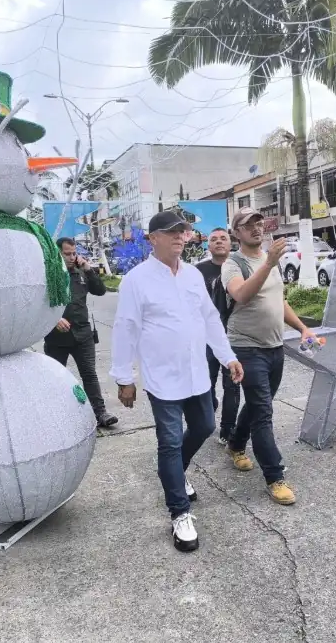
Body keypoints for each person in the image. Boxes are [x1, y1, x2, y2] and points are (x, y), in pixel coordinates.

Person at [110, 211, 244, 552]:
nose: (180, 237)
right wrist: (125, 378)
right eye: (171, 232)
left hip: (196, 373)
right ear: (152, 238)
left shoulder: (192, 276)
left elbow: (211, 319)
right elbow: (126, 329)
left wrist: (228, 356)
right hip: (162, 377)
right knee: (169, 442)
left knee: (204, 426)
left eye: (183, 231)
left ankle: (174, 473)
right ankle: (179, 513)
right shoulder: (136, 281)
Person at [222, 206, 316, 506]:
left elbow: (279, 300)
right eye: (248, 224)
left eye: (259, 223)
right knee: (263, 412)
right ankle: (275, 476)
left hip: (274, 347)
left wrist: (303, 328)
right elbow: (242, 295)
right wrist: (270, 263)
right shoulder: (233, 264)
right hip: (246, 347)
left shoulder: (268, 260)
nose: (256, 228)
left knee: (259, 403)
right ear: (236, 232)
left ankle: (236, 443)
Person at [44, 237, 118, 429]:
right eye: (66, 254)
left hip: (82, 333)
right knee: (56, 376)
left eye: (73, 253)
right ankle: (56, 415)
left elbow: (100, 291)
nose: (71, 257)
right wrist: (54, 319)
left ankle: (100, 412)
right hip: (56, 337)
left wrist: (87, 269)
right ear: (57, 253)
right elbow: (37, 304)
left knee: (89, 374)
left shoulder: (81, 273)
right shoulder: (48, 276)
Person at [195, 227, 242, 445]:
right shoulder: (198, 271)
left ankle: (228, 430)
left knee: (232, 385)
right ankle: (206, 418)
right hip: (206, 339)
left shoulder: (239, 267)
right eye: (214, 239)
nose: (219, 242)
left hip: (234, 336)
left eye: (223, 238)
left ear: (231, 242)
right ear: (208, 245)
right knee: (206, 383)